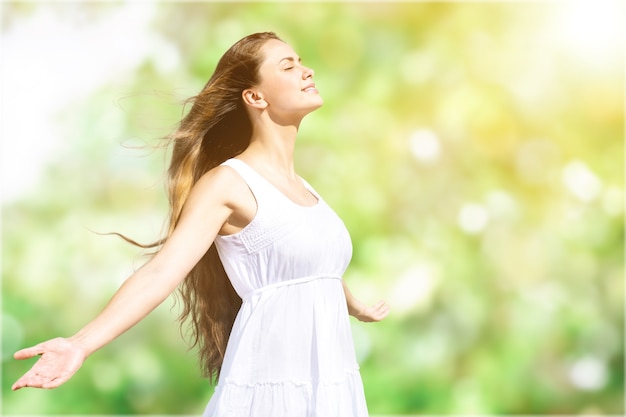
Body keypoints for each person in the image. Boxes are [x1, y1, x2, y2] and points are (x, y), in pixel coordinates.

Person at [11, 31, 390, 416]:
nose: (306, 71)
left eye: (301, 62)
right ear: (255, 97)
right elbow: (161, 271)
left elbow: (310, 264)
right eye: (288, 66)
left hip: (330, 382)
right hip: (272, 388)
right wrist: (81, 343)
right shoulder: (227, 183)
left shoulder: (305, 188)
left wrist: (355, 305)